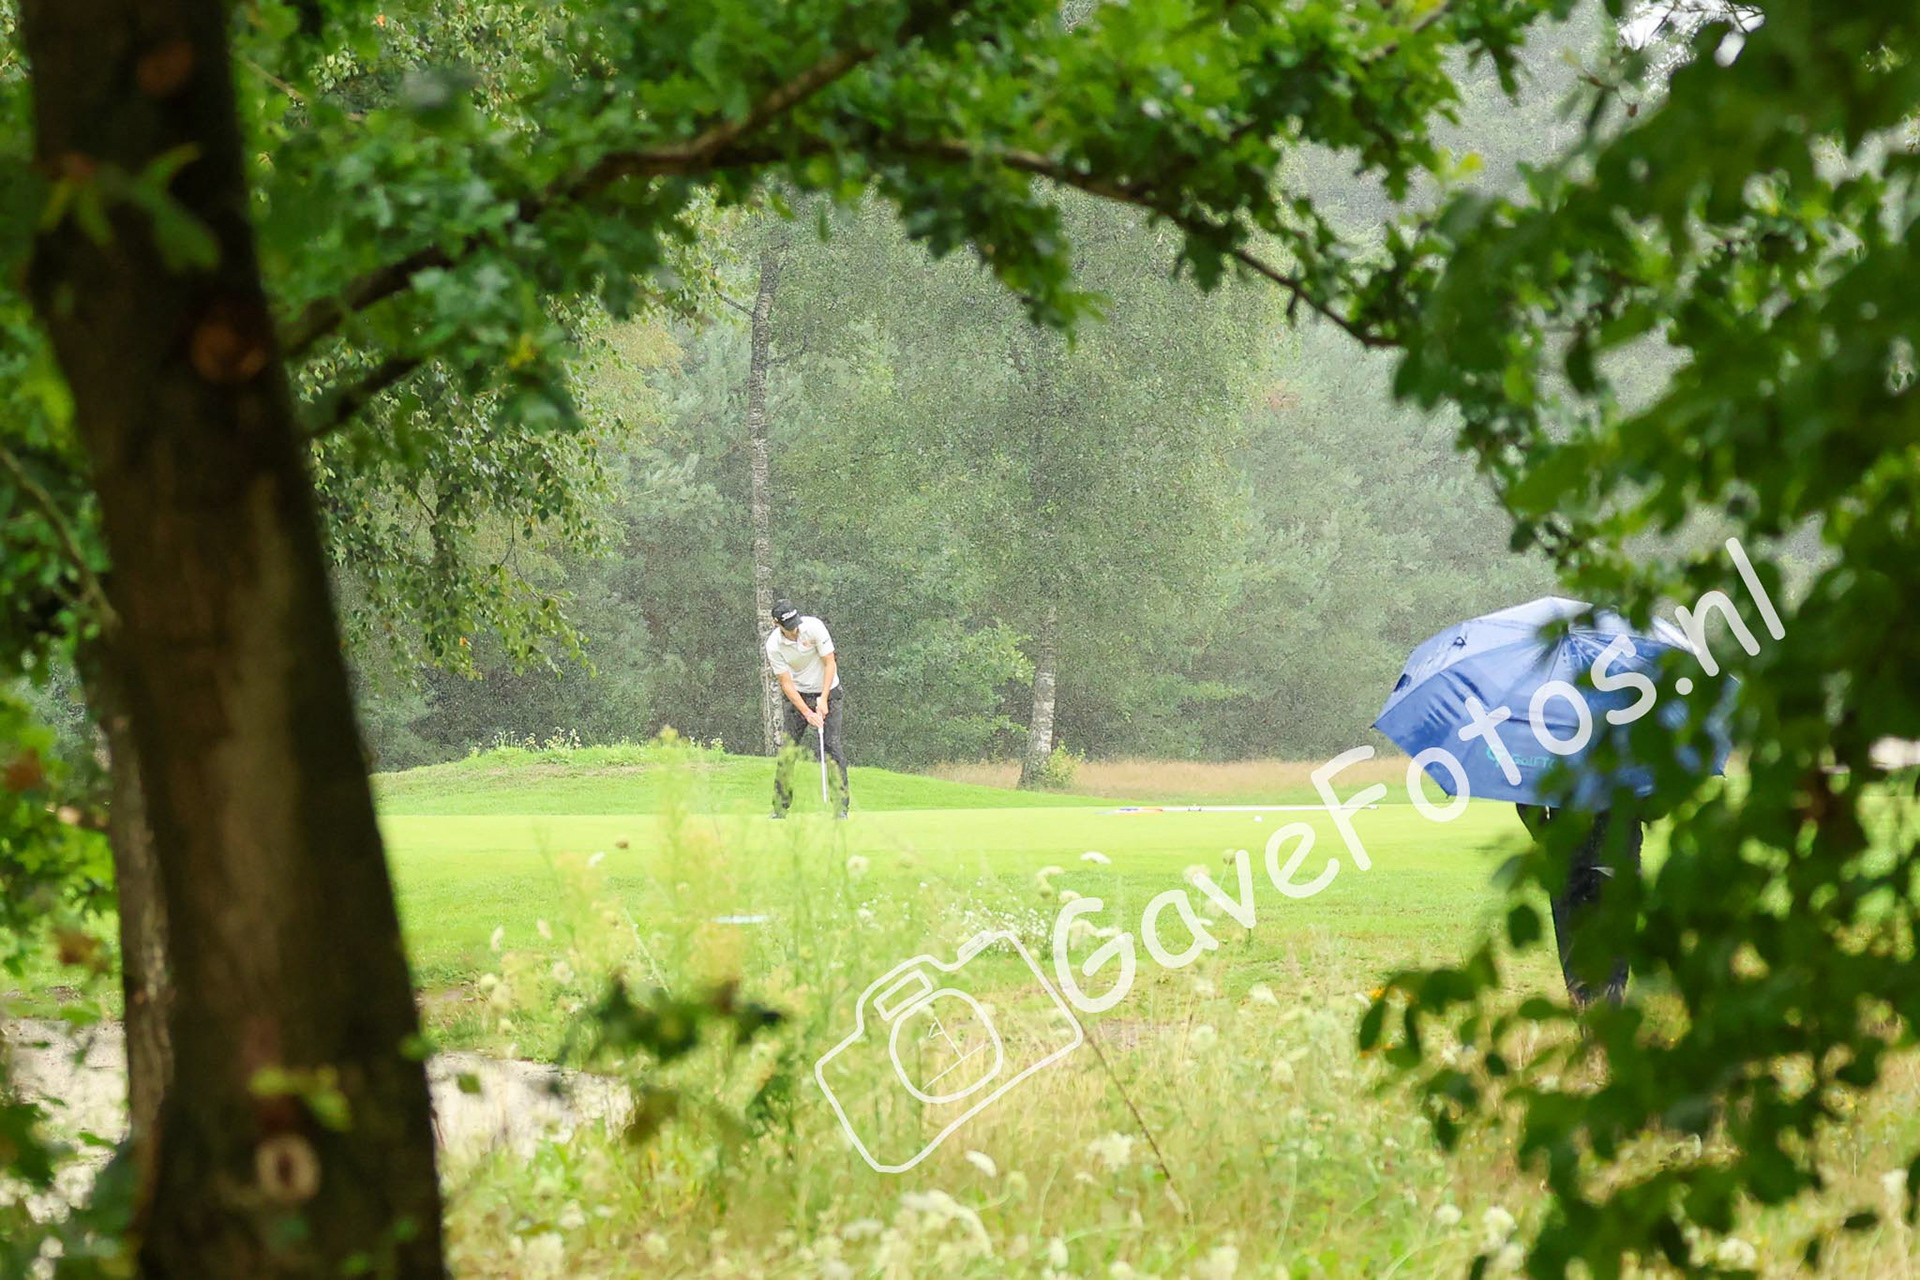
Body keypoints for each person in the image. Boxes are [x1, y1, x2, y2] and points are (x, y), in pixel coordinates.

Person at [1515, 802, 1644, 1006]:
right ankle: (1609, 1026)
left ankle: (1590, 1028)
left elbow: (1526, 795)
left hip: (1570, 859)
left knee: (1577, 968)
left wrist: (1548, 837)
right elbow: (1651, 803)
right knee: (1614, 968)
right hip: (1619, 854)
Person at [765, 598, 849, 818]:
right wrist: (807, 712)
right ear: (777, 623)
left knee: (832, 746)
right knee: (788, 750)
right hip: (799, 695)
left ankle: (840, 807)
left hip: (829, 691)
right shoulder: (773, 645)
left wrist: (823, 698)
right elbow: (786, 683)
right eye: (788, 626)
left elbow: (830, 663)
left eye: (795, 624)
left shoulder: (814, 627)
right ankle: (780, 808)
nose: (794, 630)